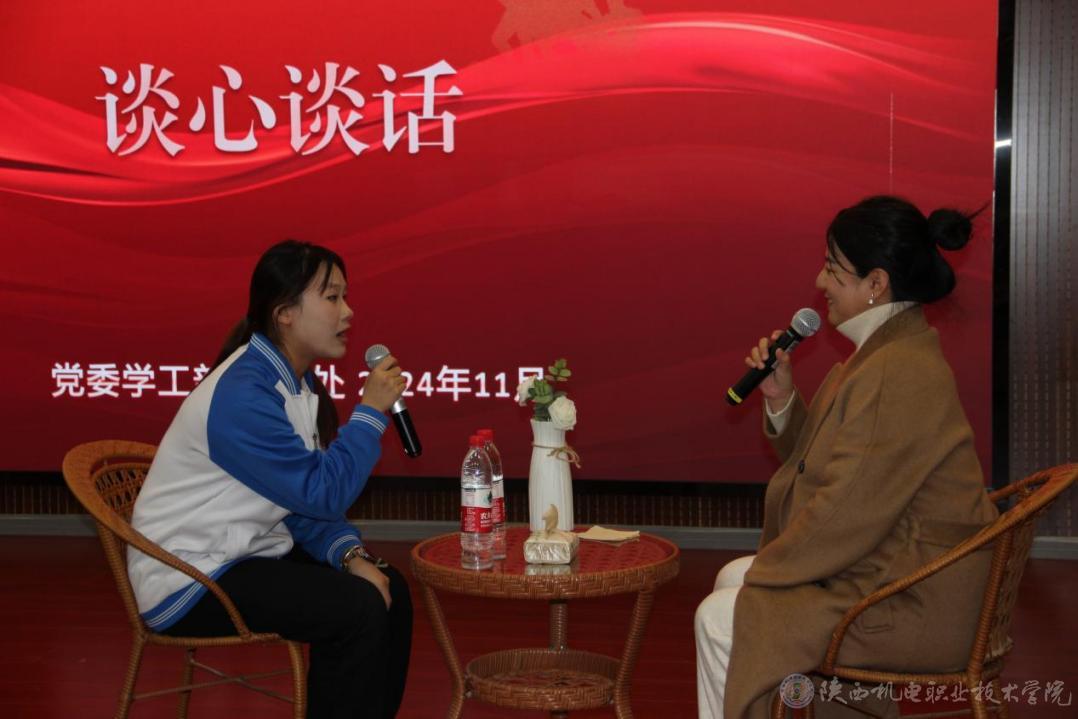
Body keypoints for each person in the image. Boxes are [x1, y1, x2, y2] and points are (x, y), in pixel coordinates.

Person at [695, 196, 999, 719]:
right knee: (732, 582)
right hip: (889, 570)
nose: (820, 282)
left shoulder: (893, 371)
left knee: (720, 616)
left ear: (876, 283)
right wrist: (780, 397)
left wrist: (773, 568)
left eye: (833, 268)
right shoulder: (885, 354)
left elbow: (844, 511)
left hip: (914, 601)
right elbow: (819, 465)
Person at [128, 239, 413, 718]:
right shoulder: (243, 394)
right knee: (356, 608)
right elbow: (321, 493)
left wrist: (350, 555)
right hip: (190, 575)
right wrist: (369, 414)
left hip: (245, 550)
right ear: (284, 313)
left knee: (389, 589)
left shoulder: (290, 380)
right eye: (332, 297)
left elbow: (301, 499)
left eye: (345, 296)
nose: (348, 311)